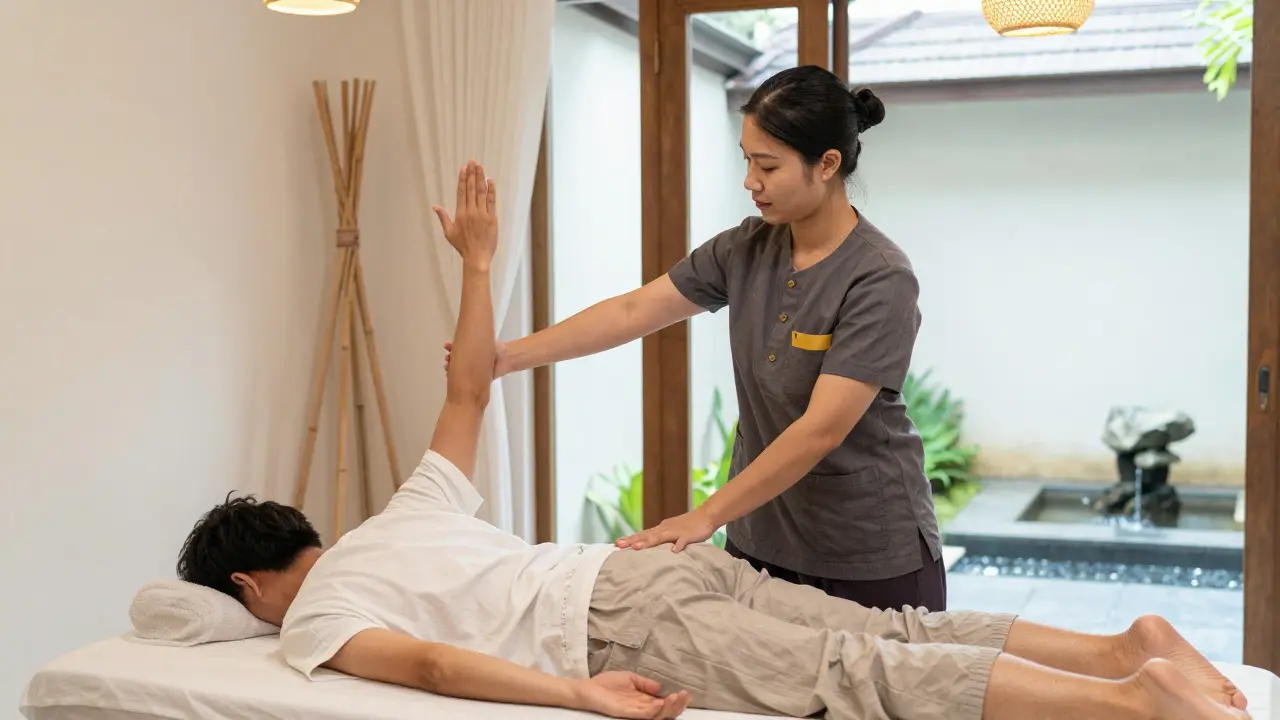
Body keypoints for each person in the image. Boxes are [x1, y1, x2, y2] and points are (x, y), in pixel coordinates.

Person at [176, 161, 1250, 720]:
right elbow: (468, 385)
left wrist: (576, 695)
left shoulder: (310, 613)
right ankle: (1120, 647)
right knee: (889, 639)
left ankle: (1122, 700)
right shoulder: (407, 508)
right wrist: (474, 261)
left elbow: (427, 668)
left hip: (614, 615)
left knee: (852, 674)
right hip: (644, 567)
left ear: (252, 588)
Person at [445, 65, 944, 613]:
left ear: (827, 165)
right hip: (762, 544)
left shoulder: (879, 276)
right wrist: (508, 356)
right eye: (746, 159)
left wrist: (705, 515)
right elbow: (634, 310)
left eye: (768, 165)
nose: (749, 181)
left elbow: (820, 429)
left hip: (867, 551)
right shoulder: (745, 247)